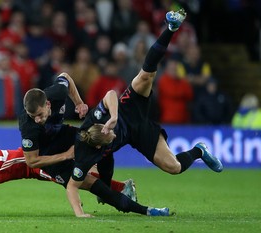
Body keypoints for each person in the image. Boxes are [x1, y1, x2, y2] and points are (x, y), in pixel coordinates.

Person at [66, 9, 224, 217]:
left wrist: (113, 117)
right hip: (137, 133)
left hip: (127, 110)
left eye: (109, 133)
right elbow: (72, 185)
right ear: (99, 145)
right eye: (109, 139)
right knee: (173, 167)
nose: (111, 134)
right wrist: (80, 212)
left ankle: (170, 28)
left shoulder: (95, 121)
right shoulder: (90, 154)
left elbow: (110, 94)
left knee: (146, 76)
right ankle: (199, 151)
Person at [20, 73, 169, 217]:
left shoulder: (57, 92)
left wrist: (78, 102)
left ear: (47, 104)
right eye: (33, 116)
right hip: (49, 155)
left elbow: (66, 77)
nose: (37, 120)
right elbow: (32, 161)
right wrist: (65, 156)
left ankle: (107, 186)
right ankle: (139, 207)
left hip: (63, 135)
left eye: (39, 115)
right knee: (93, 185)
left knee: (102, 143)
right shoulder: (29, 127)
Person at [0, 141, 134, 216]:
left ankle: (122, 188)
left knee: (76, 181)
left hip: (29, 166)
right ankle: (119, 187)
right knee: (78, 179)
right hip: (24, 164)